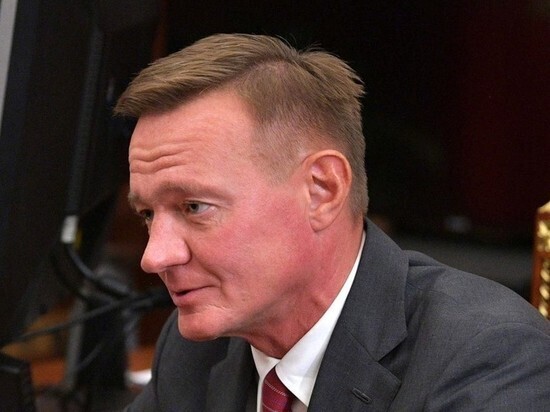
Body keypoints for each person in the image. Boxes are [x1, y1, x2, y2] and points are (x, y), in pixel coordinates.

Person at [115, 33, 550, 411]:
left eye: (194, 207)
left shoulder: (486, 357)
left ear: (321, 190)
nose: (155, 256)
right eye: (148, 214)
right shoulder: (197, 351)